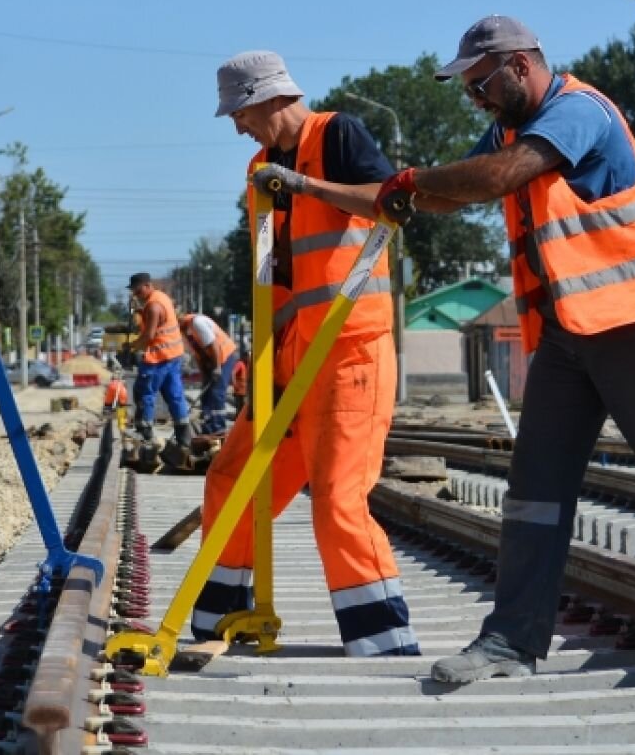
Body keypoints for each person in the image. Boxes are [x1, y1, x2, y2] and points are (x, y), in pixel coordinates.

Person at [272, 15, 635, 680]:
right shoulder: (508, 125)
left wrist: (415, 182)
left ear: (520, 65)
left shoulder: (578, 112)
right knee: (534, 489)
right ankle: (512, 638)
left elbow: (501, 175)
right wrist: (403, 194)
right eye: (467, 89)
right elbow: (460, 186)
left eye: (479, 84)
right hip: (567, 336)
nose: (473, 98)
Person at [189, 50, 420, 657]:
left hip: (350, 352)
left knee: (339, 500)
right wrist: (260, 368)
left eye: (240, 112)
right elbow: (275, 277)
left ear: (268, 98)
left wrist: (303, 185)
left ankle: (386, 645)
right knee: (233, 477)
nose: (238, 126)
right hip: (291, 355)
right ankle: (220, 621)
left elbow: (389, 202)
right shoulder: (259, 169)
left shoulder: (338, 134)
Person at [128, 272, 191, 448]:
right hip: (173, 355)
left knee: (144, 392)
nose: (136, 294)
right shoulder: (162, 297)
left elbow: (149, 335)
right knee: (175, 395)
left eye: (138, 290)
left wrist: (132, 346)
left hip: (157, 358)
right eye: (134, 291)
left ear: (148, 286)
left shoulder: (153, 305)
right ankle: (183, 437)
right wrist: (140, 310)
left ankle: (145, 433)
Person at [179, 312, 239, 434]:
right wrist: (204, 373)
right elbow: (197, 354)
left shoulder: (197, 323)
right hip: (211, 360)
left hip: (224, 356)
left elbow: (214, 345)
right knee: (206, 394)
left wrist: (217, 367)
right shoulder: (185, 331)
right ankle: (208, 424)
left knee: (217, 392)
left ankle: (218, 425)